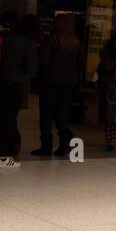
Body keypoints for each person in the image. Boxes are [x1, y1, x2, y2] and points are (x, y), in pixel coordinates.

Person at [0, 13, 38, 169]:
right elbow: (31, 69)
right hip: (14, 84)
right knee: (9, 120)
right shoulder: (28, 43)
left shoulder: (4, 39)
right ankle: (5, 156)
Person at [35, 15, 81, 157]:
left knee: (46, 113)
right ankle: (64, 143)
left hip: (50, 81)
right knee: (61, 113)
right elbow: (80, 62)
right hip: (68, 83)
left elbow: (43, 60)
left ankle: (46, 146)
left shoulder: (51, 40)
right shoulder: (75, 42)